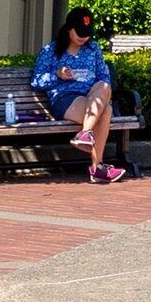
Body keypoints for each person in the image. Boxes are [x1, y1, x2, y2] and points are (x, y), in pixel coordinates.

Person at [29, 10, 125, 184]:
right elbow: (36, 81)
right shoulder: (51, 50)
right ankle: (97, 167)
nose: (83, 38)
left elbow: (103, 75)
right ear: (68, 29)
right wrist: (57, 74)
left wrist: (98, 90)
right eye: (79, 33)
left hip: (91, 95)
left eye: (87, 34)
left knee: (103, 86)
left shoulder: (93, 48)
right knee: (106, 110)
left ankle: (85, 134)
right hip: (65, 98)